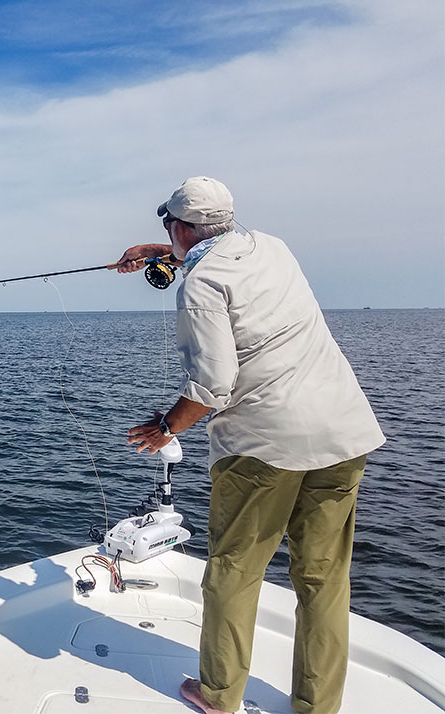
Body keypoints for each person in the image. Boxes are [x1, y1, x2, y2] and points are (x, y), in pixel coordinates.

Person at [119, 177, 385, 714]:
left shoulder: (199, 287)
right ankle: (318, 704)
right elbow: (219, 252)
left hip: (265, 446)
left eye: (168, 224)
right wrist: (162, 249)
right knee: (324, 577)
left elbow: (212, 388)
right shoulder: (271, 245)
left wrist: (166, 428)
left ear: (182, 227)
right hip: (344, 430)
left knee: (235, 571)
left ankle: (218, 693)